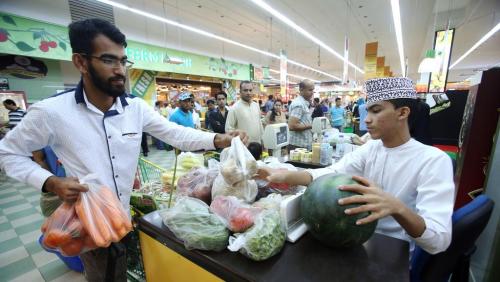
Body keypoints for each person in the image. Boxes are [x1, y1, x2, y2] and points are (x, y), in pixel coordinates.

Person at [0, 18, 247, 282]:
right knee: (103, 274)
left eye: (123, 61)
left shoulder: (135, 108)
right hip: (90, 220)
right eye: (109, 60)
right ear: (81, 62)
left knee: (122, 270)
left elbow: (175, 134)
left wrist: (218, 139)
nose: (120, 70)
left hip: (124, 215)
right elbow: (7, 153)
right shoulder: (52, 112)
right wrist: (50, 181)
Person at [259, 77, 454, 255]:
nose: (367, 119)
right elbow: (331, 174)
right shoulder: (372, 148)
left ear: (402, 112)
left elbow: (439, 241)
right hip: (358, 243)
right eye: (367, 111)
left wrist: (397, 208)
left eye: (376, 111)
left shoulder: (433, 161)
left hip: (394, 255)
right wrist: (282, 175)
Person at [288, 79, 314, 150]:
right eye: (310, 90)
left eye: (313, 90)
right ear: (301, 90)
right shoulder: (299, 104)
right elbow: (292, 126)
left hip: (303, 144)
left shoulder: (304, 103)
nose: (312, 92)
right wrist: (311, 125)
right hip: (298, 146)